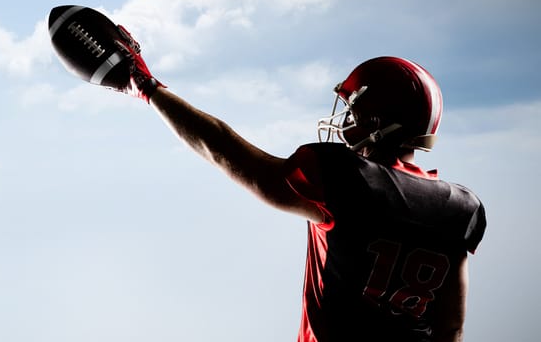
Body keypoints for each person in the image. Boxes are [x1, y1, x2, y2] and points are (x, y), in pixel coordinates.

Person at [93, 26, 487, 342]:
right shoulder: (461, 208)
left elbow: (225, 151)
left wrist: (145, 86)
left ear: (376, 121)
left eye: (354, 108)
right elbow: (450, 327)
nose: (346, 117)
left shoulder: (342, 176)